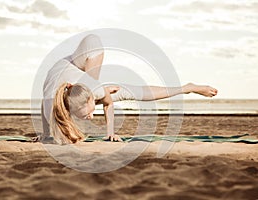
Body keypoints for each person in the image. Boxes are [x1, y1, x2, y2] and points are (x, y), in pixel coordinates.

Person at [42, 34, 218, 144]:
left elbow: (107, 104)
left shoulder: (93, 90)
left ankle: (188, 88)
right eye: (87, 115)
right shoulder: (54, 100)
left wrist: (110, 131)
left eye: (89, 112)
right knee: (125, 92)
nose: (91, 116)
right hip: (69, 78)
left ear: (90, 98)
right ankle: (185, 88)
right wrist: (44, 134)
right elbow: (45, 105)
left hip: (73, 64)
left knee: (94, 43)